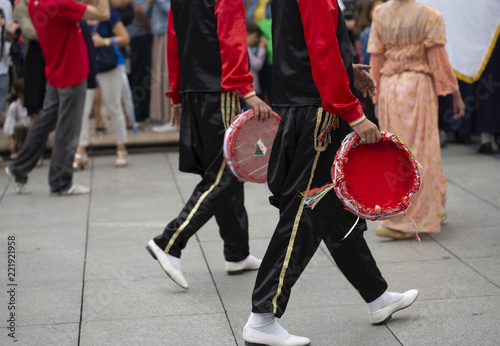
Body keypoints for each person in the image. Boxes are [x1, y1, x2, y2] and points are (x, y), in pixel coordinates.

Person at [242, 1, 418, 345]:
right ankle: (262, 316)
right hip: (319, 115)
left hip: (310, 107)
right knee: (303, 214)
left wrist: (347, 70)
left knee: (335, 213)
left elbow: (302, 47)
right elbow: (320, 51)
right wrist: (355, 114)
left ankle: (377, 295)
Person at [145, 0, 273, 290]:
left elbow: (174, 42)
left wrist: (176, 95)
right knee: (225, 174)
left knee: (225, 173)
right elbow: (232, 37)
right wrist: (246, 89)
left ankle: (237, 252)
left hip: (195, 89)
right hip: (221, 89)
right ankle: (169, 242)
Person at [368, 0, 465, 239]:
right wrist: (455, 94)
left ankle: (406, 211)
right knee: (422, 151)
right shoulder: (429, 15)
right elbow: (438, 60)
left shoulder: (380, 13)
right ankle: (414, 218)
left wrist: (375, 95)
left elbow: (376, 60)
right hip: (417, 88)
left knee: (396, 153)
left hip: (390, 87)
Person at [4, 0, 110, 195]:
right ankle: (61, 182)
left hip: (55, 70)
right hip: (71, 73)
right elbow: (103, 14)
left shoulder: (36, 3)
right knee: (68, 130)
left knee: (45, 122)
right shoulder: (59, 3)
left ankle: (19, 169)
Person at [74, 6, 130, 169]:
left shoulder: (109, 13)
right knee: (82, 111)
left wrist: (104, 41)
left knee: (114, 108)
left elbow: (125, 38)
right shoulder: (78, 11)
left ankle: (121, 147)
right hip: (86, 68)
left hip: (108, 66)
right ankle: (81, 149)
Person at [147, 0, 176, 134]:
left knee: (166, 76)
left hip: (168, 32)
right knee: (159, 76)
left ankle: (173, 120)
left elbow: (175, 10)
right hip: (160, 32)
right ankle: (167, 118)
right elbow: (148, 14)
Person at [3, 78, 29, 160]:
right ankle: (20, 150)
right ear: (20, 94)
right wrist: (11, 142)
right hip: (20, 135)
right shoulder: (14, 106)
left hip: (31, 132)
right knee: (18, 126)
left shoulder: (34, 105)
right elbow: (9, 124)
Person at [246, 20, 267, 100]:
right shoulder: (246, 48)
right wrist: (262, 49)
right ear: (247, 33)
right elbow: (257, 65)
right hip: (252, 88)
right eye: (255, 36)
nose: (255, 40)